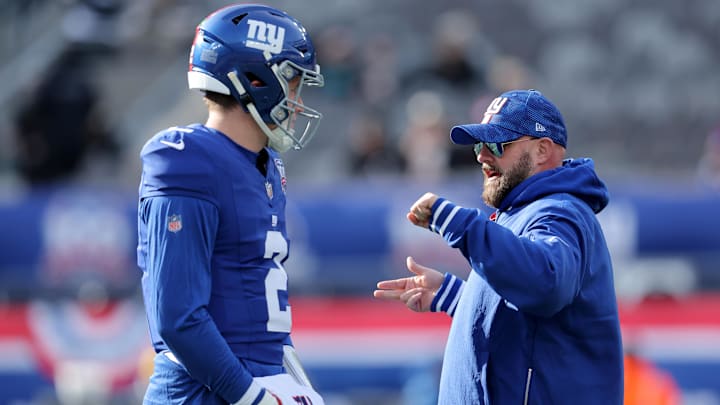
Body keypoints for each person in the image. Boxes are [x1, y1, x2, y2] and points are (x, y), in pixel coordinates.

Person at [374, 89, 623, 404]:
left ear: (542, 149)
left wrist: (459, 223)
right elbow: (532, 325)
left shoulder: (560, 211)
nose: (481, 155)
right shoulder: (522, 212)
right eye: (480, 144)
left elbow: (545, 283)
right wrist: (459, 299)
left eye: (497, 144)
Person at [137, 4, 325, 405]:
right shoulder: (186, 158)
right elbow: (178, 317)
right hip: (202, 391)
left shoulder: (267, 164)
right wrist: (250, 396)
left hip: (259, 378)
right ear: (255, 79)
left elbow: (261, 305)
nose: (298, 97)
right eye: (293, 80)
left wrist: (296, 384)